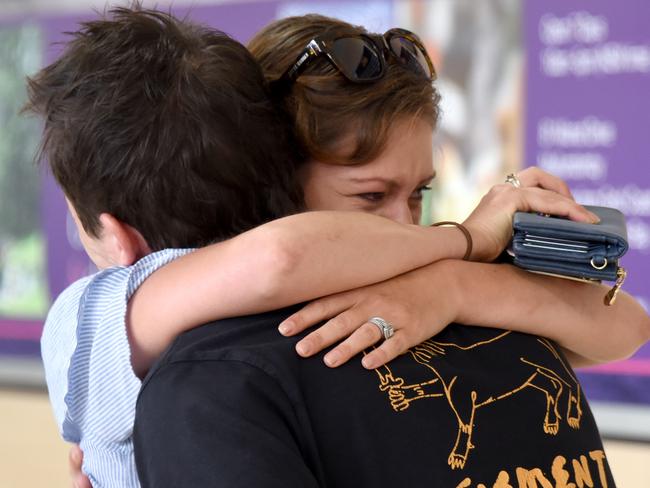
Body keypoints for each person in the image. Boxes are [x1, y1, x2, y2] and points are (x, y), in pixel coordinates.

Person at [32, 7, 608, 487]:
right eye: (371, 195)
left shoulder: (411, 286)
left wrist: (452, 285)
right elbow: (279, 258)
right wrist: (466, 241)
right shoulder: (153, 329)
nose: (402, 226)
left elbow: (623, 325)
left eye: (419, 196)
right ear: (280, 188)